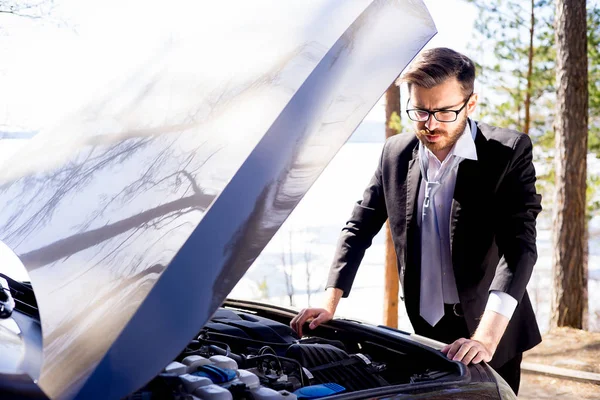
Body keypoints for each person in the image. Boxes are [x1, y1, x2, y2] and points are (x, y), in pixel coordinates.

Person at [289, 47, 542, 395]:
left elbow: (519, 249)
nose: (431, 123)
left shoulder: (508, 152)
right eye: (420, 110)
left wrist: (485, 338)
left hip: (490, 330)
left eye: (444, 111)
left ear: (470, 105)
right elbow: (359, 227)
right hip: (422, 329)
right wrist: (329, 303)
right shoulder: (394, 153)